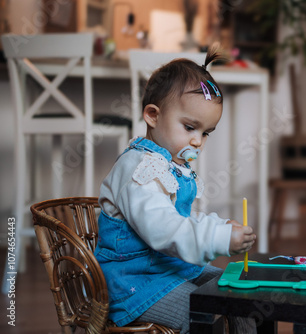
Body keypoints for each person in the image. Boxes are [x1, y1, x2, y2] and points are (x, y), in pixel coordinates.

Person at [94, 46, 257, 333]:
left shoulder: (170, 166)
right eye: (190, 127)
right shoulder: (139, 169)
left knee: (241, 292)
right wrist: (217, 238)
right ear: (153, 115)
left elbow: (181, 219)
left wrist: (220, 226)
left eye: (205, 133)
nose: (197, 142)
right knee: (205, 312)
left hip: (166, 268)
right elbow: (164, 230)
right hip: (134, 282)